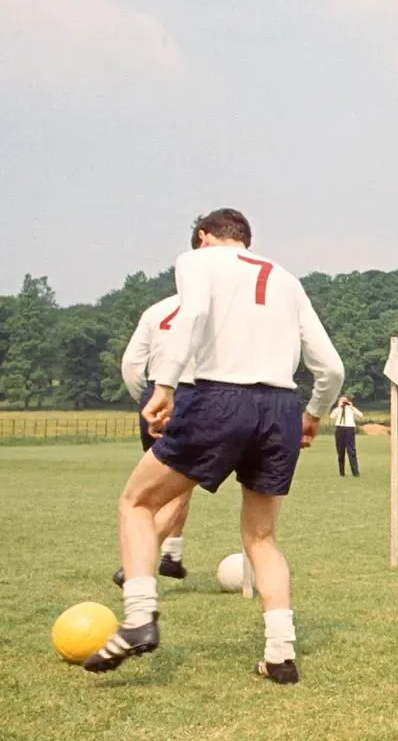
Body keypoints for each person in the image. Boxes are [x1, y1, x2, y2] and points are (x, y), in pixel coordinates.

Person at [84, 208, 345, 687]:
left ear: (204, 236)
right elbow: (331, 367)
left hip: (219, 399)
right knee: (262, 538)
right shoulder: (285, 277)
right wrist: (311, 414)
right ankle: (280, 655)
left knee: (137, 502)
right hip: (281, 407)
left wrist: (164, 384)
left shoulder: (196, 261)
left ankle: (140, 616)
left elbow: (194, 315)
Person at [111, 292, 198, 588]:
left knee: (163, 482)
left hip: (155, 392)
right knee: (182, 484)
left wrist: (146, 400)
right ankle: (135, 565)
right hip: (194, 395)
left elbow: (131, 365)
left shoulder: (155, 309)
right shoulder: (217, 307)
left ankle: (172, 557)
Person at [330, 394, 363, 477]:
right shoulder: (337, 410)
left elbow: (360, 415)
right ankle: (342, 472)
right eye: (341, 400)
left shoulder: (351, 409)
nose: (343, 402)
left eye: (345, 400)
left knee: (351, 451)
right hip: (340, 429)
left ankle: (355, 472)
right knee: (340, 452)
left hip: (349, 429)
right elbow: (332, 416)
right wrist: (339, 407)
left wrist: (351, 407)